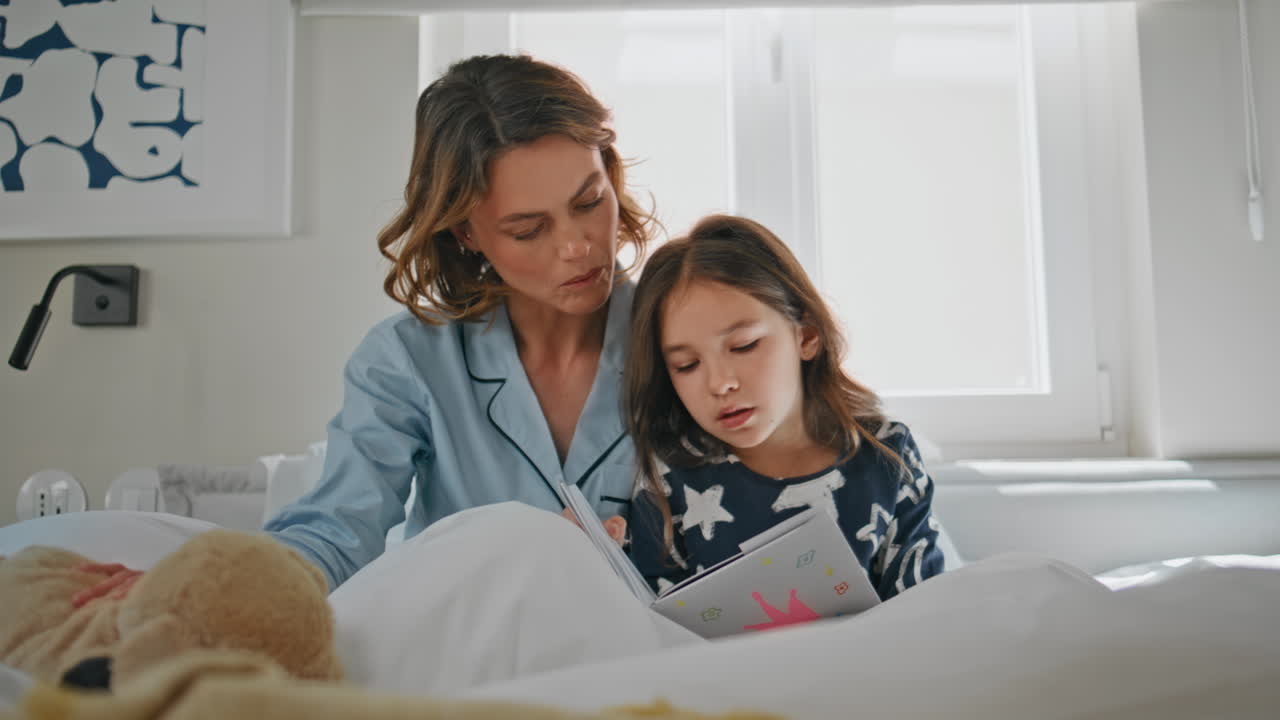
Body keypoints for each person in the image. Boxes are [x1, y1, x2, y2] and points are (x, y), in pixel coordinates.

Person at [254, 53, 653, 591]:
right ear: (468, 234)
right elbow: (337, 531)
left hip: (657, 656)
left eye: (588, 201)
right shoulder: (406, 361)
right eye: (527, 230)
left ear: (610, 174)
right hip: (469, 653)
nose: (577, 246)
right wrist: (227, 585)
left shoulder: (688, 338)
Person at [623, 214, 945, 600]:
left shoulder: (887, 456)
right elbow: (656, 628)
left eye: (743, 346)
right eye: (686, 365)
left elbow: (925, 612)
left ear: (806, 335)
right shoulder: (666, 476)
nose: (720, 383)